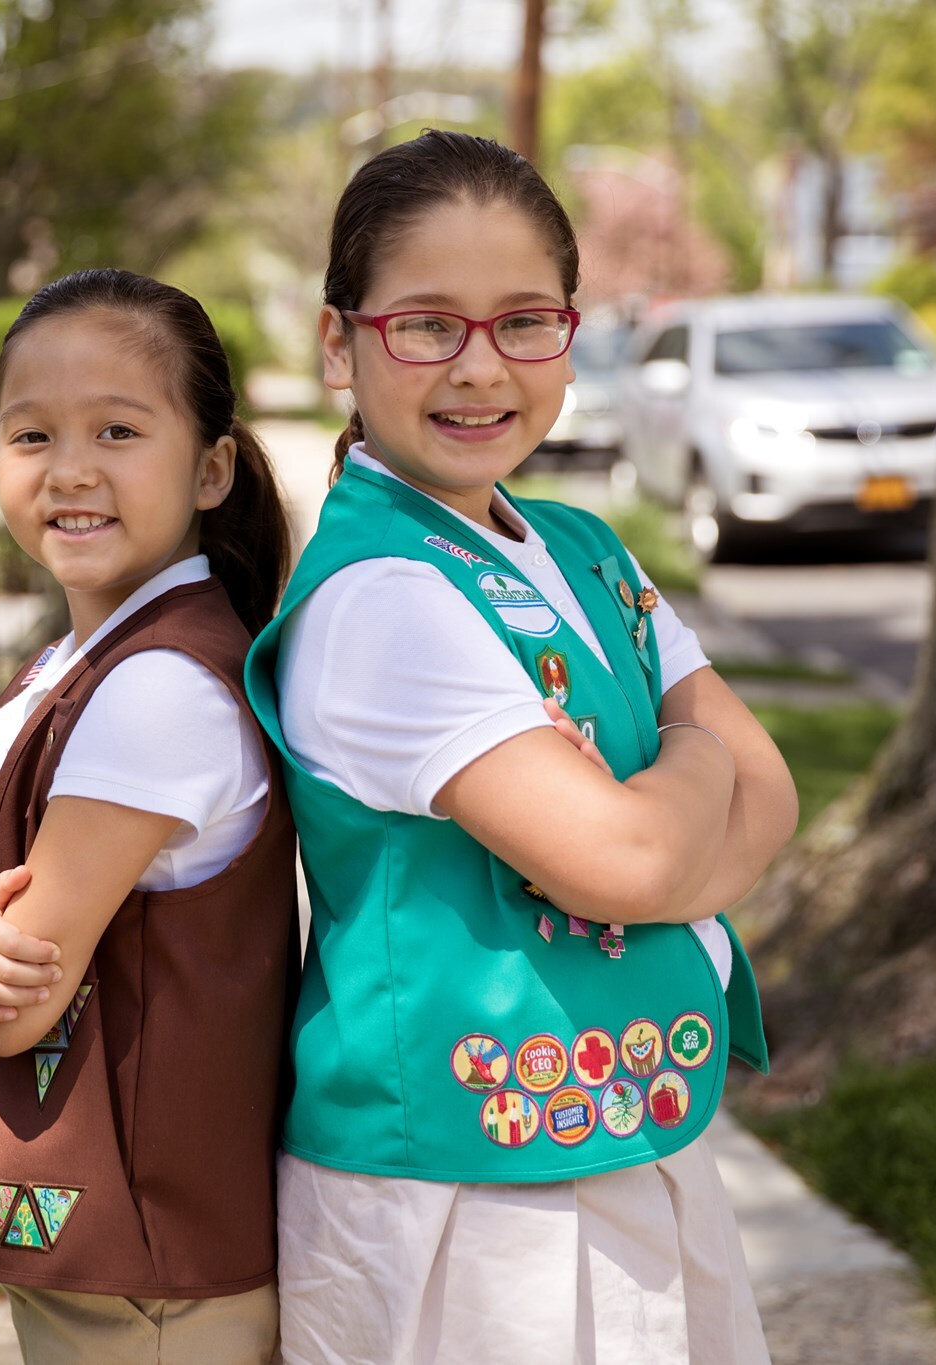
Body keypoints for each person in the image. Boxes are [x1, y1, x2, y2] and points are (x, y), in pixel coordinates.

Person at [242, 130, 799, 1364]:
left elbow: (769, 799)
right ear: (339, 343)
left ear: (569, 327)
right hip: (461, 1215)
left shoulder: (581, 545)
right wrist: (681, 771)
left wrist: (660, 814)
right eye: (425, 325)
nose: (479, 368)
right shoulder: (380, 597)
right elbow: (643, 860)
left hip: (626, 1145)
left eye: (522, 321)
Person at [0, 269, 298, 1365]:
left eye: (117, 430)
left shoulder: (156, 693)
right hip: (126, 1271)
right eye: (31, 437)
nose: (69, 470)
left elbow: (6, 1005)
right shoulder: (57, 679)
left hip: (152, 1279)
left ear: (211, 468)